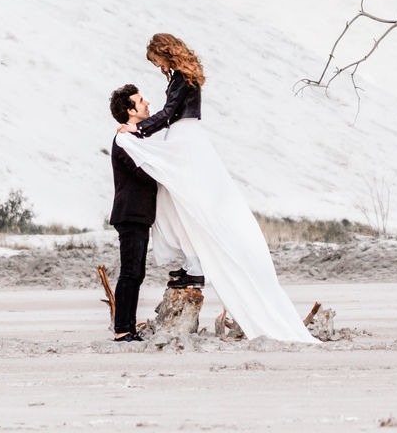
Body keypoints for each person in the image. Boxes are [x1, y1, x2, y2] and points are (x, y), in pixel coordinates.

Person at [111, 33, 315, 344]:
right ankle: (190, 263)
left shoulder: (180, 78)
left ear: (165, 54)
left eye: (156, 60)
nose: (157, 66)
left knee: (188, 203)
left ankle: (193, 264)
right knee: (182, 203)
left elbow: (167, 115)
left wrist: (139, 128)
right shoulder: (183, 76)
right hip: (183, 138)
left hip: (184, 139)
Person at [108, 87, 158, 342]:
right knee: (130, 272)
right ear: (130, 110)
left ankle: (128, 327)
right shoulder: (124, 140)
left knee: (136, 273)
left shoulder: (134, 137)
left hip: (138, 215)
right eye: (140, 101)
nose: (146, 103)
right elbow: (143, 173)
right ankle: (122, 330)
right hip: (130, 214)